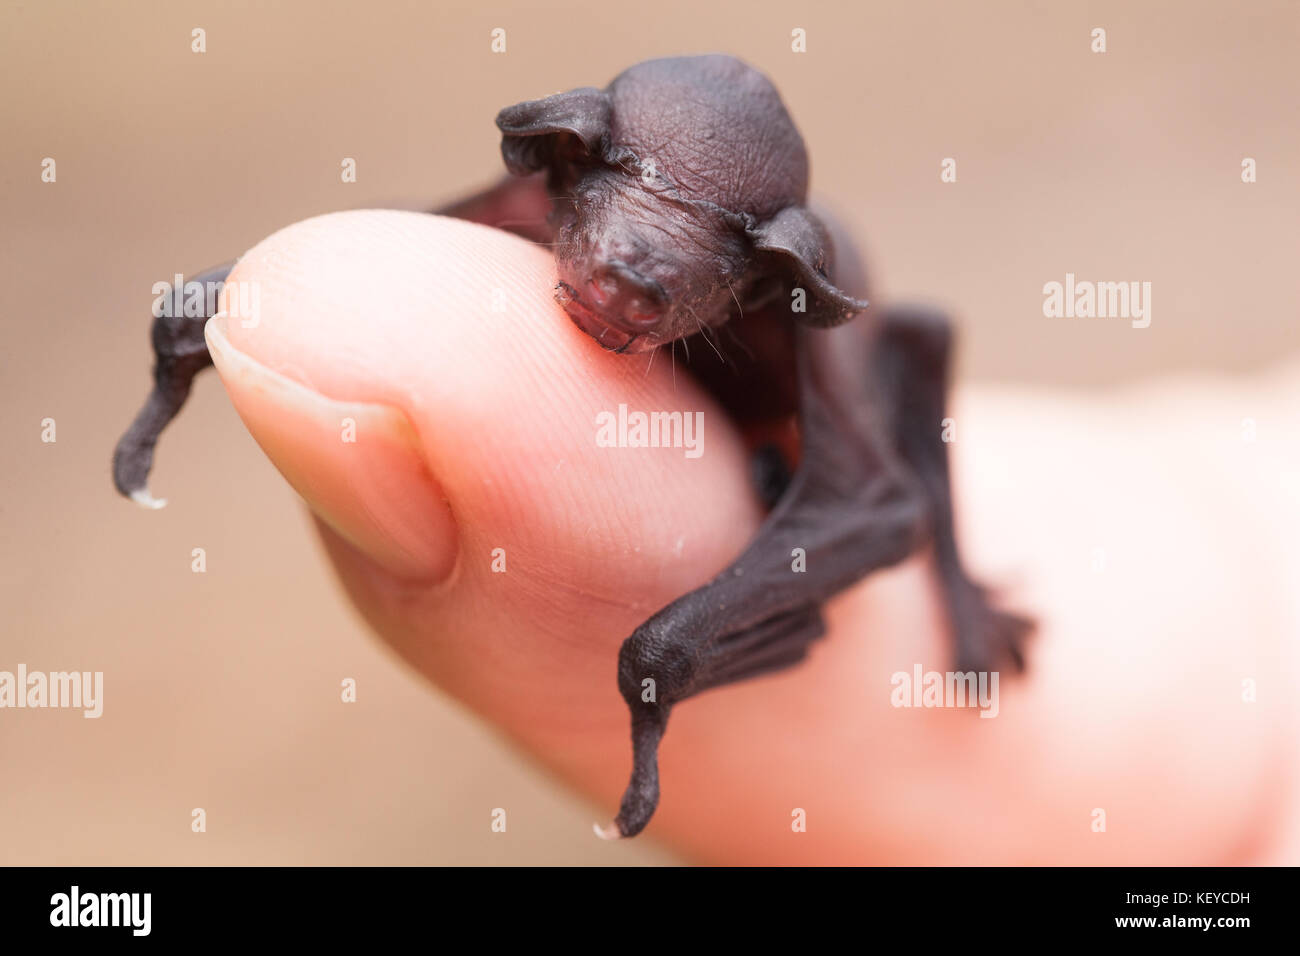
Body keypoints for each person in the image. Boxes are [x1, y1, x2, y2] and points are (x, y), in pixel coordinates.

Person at [204, 209, 1300, 864]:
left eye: (661, 275)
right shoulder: (559, 201)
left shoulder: (804, 315)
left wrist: (954, 596)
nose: (621, 286)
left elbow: (882, 487)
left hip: (806, 452)